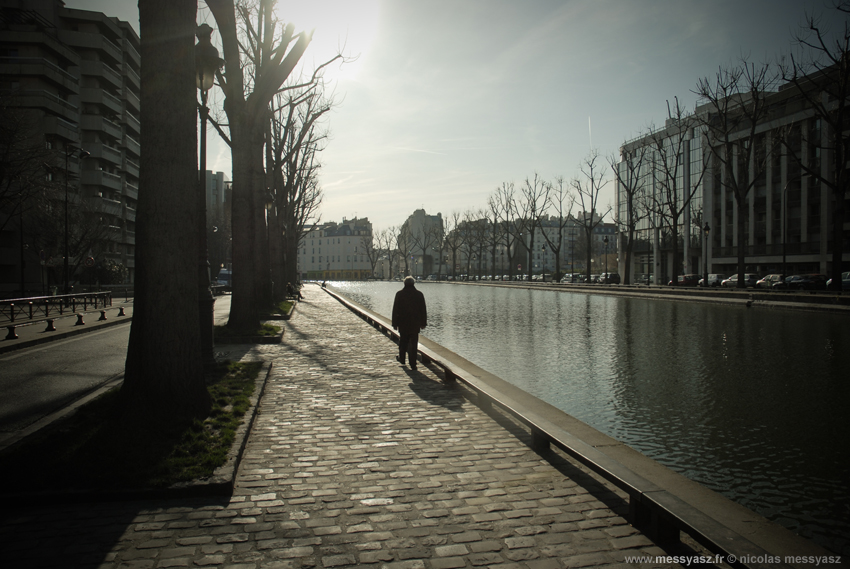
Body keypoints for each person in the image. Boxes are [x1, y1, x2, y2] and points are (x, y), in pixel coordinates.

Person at [391, 276, 427, 370]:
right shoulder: (419, 294)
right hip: (415, 323)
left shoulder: (399, 294)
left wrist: (395, 323)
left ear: (404, 284)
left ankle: (402, 358)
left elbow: (395, 310)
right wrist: (423, 323)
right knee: (413, 344)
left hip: (403, 323)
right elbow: (423, 310)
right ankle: (413, 363)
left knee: (403, 341)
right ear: (414, 284)